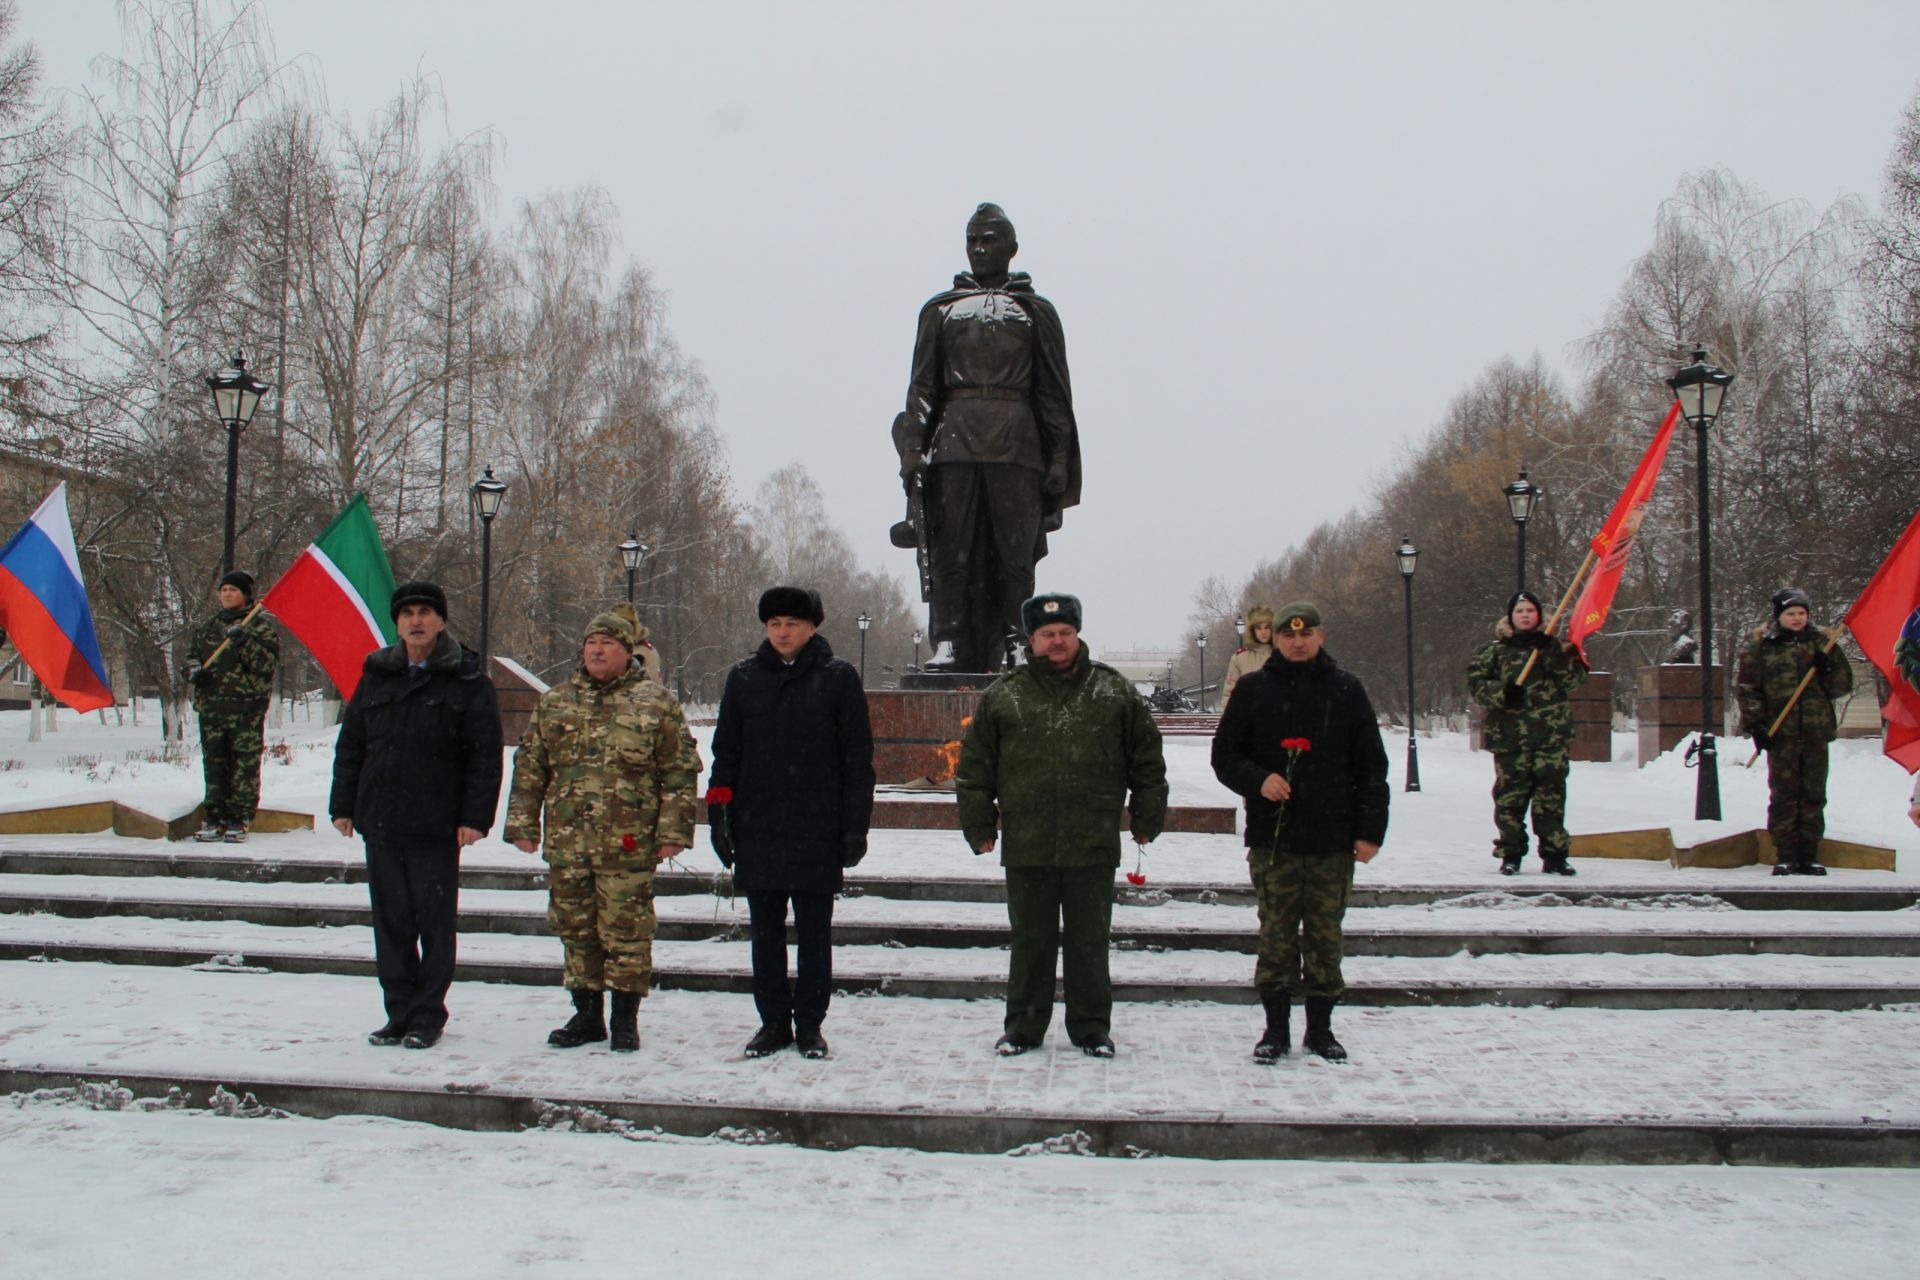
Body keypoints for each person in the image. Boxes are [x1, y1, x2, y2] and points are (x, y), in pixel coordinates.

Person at [956, 592, 1166, 1058]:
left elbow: (1146, 761)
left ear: (1077, 635)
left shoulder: (1113, 691)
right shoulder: (1005, 694)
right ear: (1031, 640)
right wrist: (979, 826)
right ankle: (1024, 1027)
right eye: (1047, 634)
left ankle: (1091, 1028)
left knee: (1089, 941)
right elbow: (975, 769)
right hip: (1028, 841)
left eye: (1065, 633)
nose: (1057, 641)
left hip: (1091, 839)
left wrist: (1148, 817)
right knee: (1031, 941)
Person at [897, 202, 1082, 674]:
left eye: (990, 240)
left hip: (1018, 443)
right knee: (950, 550)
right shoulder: (940, 310)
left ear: (1012, 248)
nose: (980, 249)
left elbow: (1053, 391)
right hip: (954, 441)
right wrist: (914, 449)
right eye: (973, 241)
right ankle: (949, 641)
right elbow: (922, 387)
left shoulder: (1034, 311)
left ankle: (1018, 641)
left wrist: (1059, 456)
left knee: (1014, 554)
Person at [506, 611, 699, 1053]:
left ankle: (625, 1018)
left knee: (627, 932)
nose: (596, 650)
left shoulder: (655, 703)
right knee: (575, 929)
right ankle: (587, 1014)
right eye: (591, 642)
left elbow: (679, 772)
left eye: (607, 644)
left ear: (627, 652)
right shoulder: (556, 702)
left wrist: (673, 831)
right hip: (568, 843)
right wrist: (521, 823)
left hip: (629, 844)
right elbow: (531, 766)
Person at [1211, 601, 1388, 1062]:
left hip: (1332, 838)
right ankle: (1275, 1029)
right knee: (1277, 935)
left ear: (1320, 636)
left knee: (1326, 936)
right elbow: (1225, 756)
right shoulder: (1253, 689)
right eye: (1289, 635)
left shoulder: (1347, 690)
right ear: (1276, 640)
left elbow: (1372, 766)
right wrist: (1258, 779)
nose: (1297, 641)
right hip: (1275, 840)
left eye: (1305, 634)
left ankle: (1321, 1028)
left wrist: (1370, 832)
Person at [329, 582, 502, 1050]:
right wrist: (342, 805)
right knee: (391, 924)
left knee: (433, 923)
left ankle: (428, 1014)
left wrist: (475, 817)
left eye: (425, 612)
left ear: (441, 621)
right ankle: (398, 1012)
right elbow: (352, 746)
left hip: (436, 824)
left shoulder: (466, 680)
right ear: (397, 623)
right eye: (407, 613)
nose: (416, 621)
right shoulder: (376, 675)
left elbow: (484, 757)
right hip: (382, 820)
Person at [707, 587, 874, 1060]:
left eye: (793, 623)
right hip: (758, 826)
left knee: (815, 934)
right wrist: (719, 816)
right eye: (775, 623)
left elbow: (857, 760)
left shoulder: (838, 678)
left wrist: (854, 826)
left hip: (816, 828)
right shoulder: (743, 678)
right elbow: (726, 754)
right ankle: (773, 1022)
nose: (783, 631)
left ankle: (811, 1025)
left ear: (812, 627)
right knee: (765, 932)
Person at [1465, 590, 1589, 876]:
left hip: (1550, 739)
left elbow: (1573, 680)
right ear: (1510, 616)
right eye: (1519, 611)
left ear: (1539, 616)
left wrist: (1553, 653)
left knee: (1551, 799)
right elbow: (1476, 683)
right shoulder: (1494, 651)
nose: (1525, 615)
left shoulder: (1556, 648)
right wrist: (1502, 693)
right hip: (1511, 740)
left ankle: (1555, 855)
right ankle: (1511, 853)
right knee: (1510, 800)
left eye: (1530, 611)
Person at [1736, 587, 1854, 876]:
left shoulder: (1823, 644)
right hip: (1781, 732)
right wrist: (1756, 725)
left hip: (1815, 730)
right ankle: (1786, 853)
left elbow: (1841, 686)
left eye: (1802, 613)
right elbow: (1748, 688)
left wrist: (1828, 668)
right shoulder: (1763, 647)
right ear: (1779, 616)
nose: (1798, 618)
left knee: (1813, 793)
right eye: (1791, 613)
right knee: (1785, 793)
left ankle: (1810, 853)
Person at [184, 571, 279, 843]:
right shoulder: (208, 627)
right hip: (213, 710)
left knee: (244, 766)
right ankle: (215, 817)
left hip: (245, 711)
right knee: (214, 765)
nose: (226, 594)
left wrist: (244, 642)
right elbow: (191, 657)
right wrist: (193, 672)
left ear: (245, 595)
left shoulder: (258, 627)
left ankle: (240, 817)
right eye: (223, 589)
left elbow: (266, 665)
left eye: (233, 590)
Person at [1221, 605, 1275, 706]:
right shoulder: (1239, 658)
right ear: (1252, 630)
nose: (1263, 632)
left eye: (1267, 627)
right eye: (1259, 628)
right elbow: (1229, 694)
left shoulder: (1283, 655)